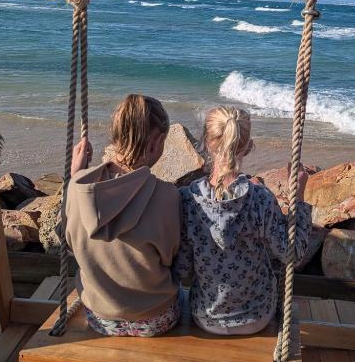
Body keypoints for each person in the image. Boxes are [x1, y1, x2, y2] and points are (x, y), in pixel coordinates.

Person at [174, 105, 315, 335]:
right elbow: (293, 254)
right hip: (256, 315)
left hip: (206, 317)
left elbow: (183, 267)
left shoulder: (188, 199)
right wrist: (298, 195)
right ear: (248, 147)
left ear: (206, 142)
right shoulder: (260, 199)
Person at [65, 94, 182, 337]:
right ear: (156, 142)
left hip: (100, 317)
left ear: (115, 135)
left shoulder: (78, 187)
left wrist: (75, 176)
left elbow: (67, 241)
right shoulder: (167, 195)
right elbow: (172, 258)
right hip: (155, 319)